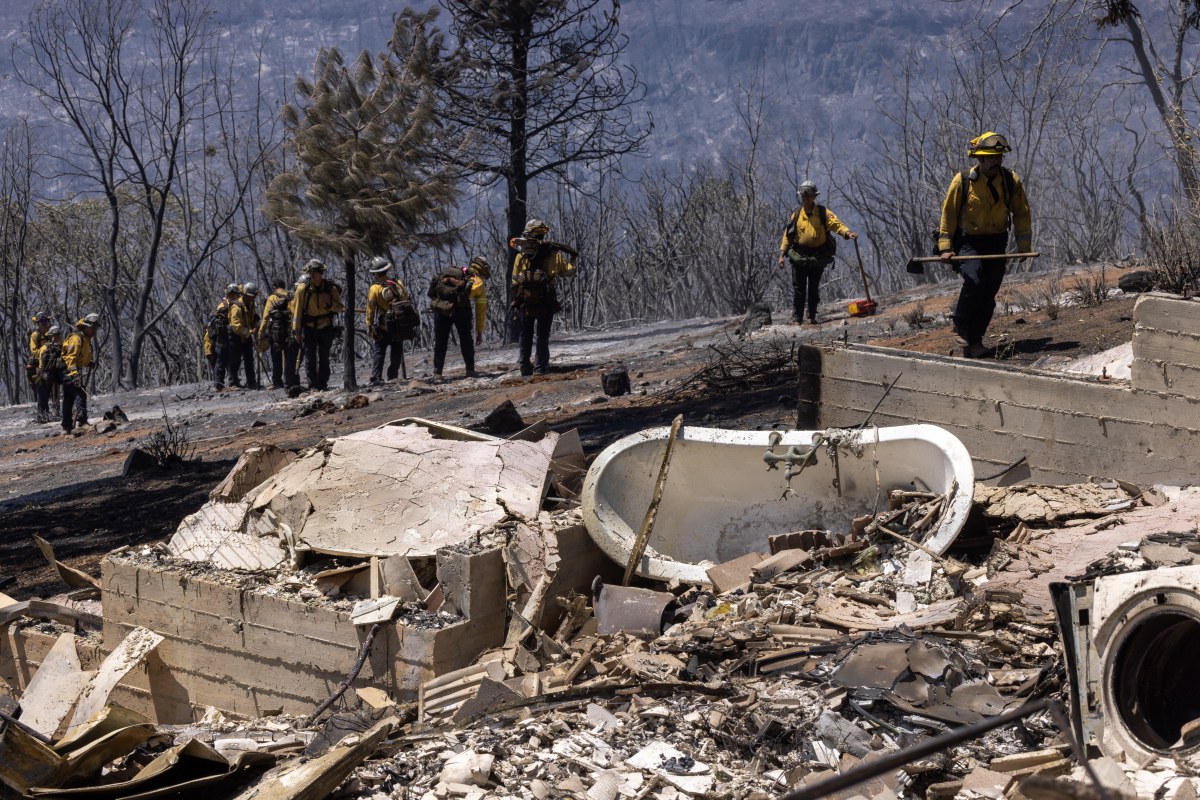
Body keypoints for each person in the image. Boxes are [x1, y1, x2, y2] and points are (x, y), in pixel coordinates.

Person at [938, 131, 1033, 358]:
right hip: (968, 242)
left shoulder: (1011, 181)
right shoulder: (962, 181)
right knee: (975, 281)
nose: (995, 161)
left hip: (996, 243)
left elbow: (1021, 214)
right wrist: (945, 247)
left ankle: (975, 341)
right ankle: (960, 326)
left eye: (998, 157)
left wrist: (1024, 246)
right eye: (990, 158)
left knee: (989, 294)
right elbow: (949, 214)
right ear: (979, 159)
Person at [776, 181, 858, 326]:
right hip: (799, 256)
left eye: (808, 195)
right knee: (798, 289)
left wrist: (848, 233)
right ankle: (797, 318)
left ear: (814, 196)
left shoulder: (823, 213)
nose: (805, 198)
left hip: (817, 257)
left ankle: (811, 316)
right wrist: (782, 255)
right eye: (803, 195)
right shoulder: (796, 214)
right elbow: (787, 236)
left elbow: (836, 224)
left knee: (813, 287)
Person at [511, 219, 575, 376]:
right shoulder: (553, 253)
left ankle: (524, 366)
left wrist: (517, 299)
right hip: (546, 299)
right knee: (542, 333)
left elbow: (514, 280)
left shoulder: (521, 255)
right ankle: (540, 368)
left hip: (525, 300)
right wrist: (573, 259)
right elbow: (568, 272)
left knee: (525, 333)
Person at [290, 260, 344, 392]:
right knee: (310, 357)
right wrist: (297, 331)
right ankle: (313, 385)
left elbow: (340, 308)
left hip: (326, 326)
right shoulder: (302, 289)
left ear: (321, 273)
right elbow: (296, 312)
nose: (312, 275)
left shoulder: (330, 288)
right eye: (310, 272)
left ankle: (323, 384)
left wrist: (329, 302)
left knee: (324, 356)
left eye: (315, 272)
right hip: (308, 328)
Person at [427, 263, 477, 381]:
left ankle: (437, 372)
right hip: (461, 310)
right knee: (466, 338)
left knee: (440, 339)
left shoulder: (441, 279)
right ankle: (470, 369)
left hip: (442, 309)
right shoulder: (466, 279)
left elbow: (432, 293)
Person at [366, 256, 411, 384]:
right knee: (396, 350)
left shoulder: (374, 288)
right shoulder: (398, 283)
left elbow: (371, 308)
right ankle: (393, 376)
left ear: (375, 273)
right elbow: (406, 301)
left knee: (380, 350)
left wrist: (369, 325)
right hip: (398, 325)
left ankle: (376, 377)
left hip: (383, 325)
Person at [259, 278, 301, 393]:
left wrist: (261, 332)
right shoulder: (290, 296)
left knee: (276, 357)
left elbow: (266, 316)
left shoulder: (272, 298)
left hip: (276, 333)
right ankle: (293, 380)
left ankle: (277, 382)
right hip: (289, 330)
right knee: (290, 357)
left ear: (274, 287)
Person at [61, 314, 100, 433]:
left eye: (96, 328)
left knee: (68, 398)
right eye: (92, 328)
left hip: (71, 370)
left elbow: (82, 357)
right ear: (85, 327)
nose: (94, 331)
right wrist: (74, 374)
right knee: (80, 393)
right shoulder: (76, 338)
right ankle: (82, 422)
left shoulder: (86, 339)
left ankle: (67, 426)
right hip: (67, 370)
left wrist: (89, 362)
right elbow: (71, 358)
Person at [229, 282, 261, 389]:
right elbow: (236, 326)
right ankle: (233, 383)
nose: (254, 298)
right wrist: (250, 332)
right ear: (246, 295)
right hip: (236, 337)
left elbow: (252, 319)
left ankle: (251, 382)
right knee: (234, 361)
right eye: (252, 296)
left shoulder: (250, 305)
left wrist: (256, 327)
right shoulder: (236, 307)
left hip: (246, 337)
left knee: (249, 360)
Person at [211, 283, 242, 391]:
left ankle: (233, 382)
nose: (233, 298)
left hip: (231, 338)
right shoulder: (224, 306)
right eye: (231, 296)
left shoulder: (233, 306)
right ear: (227, 295)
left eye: (235, 296)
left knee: (233, 361)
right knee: (222, 361)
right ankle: (221, 385)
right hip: (224, 338)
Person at [35, 325, 63, 421]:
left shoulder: (60, 347)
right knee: (43, 396)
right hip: (43, 375)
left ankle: (55, 413)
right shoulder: (44, 348)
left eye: (58, 335)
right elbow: (41, 364)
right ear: (50, 336)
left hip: (53, 375)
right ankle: (42, 416)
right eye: (54, 335)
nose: (57, 337)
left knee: (54, 396)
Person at [26, 312, 51, 395]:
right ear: (38, 323)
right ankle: (32, 381)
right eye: (42, 322)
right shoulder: (35, 335)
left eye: (45, 321)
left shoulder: (54, 333)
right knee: (30, 361)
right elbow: (34, 351)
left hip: (53, 357)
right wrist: (44, 352)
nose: (44, 324)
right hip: (40, 358)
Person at [468, 255, 489, 347]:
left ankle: (437, 362)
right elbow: (481, 311)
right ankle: (469, 361)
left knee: (441, 341)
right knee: (466, 341)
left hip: (441, 308)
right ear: (483, 273)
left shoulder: (464, 275)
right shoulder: (479, 282)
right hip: (459, 310)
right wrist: (479, 335)